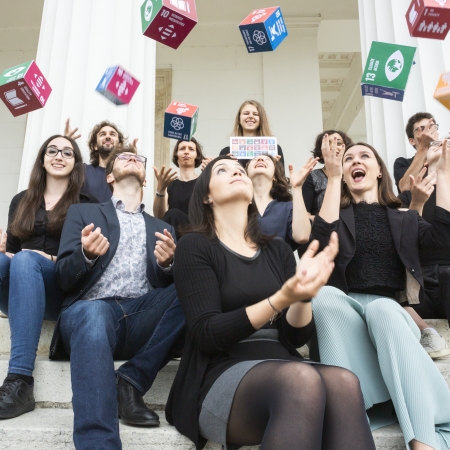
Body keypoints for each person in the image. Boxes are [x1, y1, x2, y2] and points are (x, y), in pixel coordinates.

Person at [166, 155, 376, 450]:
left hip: (283, 363)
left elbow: (295, 336)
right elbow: (207, 333)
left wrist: (302, 296)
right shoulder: (194, 245)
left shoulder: (276, 249)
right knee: (300, 378)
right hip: (221, 373)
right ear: (206, 197)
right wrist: (279, 299)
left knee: (345, 382)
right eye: (223, 170)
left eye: (240, 170)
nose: (237, 172)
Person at [311, 137, 450, 450]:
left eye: (364, 156)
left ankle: (424, 442)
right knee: (324, 297)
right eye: (348, 159)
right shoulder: (337, 213)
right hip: (345, 318)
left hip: (390, 318)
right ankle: (348, 417)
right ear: (344, 174)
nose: (355, 161)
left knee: (383, 310)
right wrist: (332, 179)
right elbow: (318, 246)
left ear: (378, 171)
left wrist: (443, 173)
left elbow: (443, 242)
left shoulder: (404, 218)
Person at [51, 146, 185, 450]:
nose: (133, 158)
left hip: (139, 315)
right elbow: (61, 276)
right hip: (88, 312)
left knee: (192, 284)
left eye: (138, 158)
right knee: (94, 313)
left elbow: (169, 292)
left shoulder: (162, 228)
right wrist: (85, 255)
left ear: (146, 179)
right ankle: (99, 443)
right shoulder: (83, 213)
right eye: (125, 157)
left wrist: (169, 266)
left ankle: (131, 380)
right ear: (110, 176)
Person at [0, 135, 96, 419]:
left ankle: (20, 380)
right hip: (22, 283)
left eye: (67, 152)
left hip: (62, 293)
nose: (59, 155)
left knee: (29, 257)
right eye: (52, 150)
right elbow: (13, 252)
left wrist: (48, 258)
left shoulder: (86, 204)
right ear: (42, 158)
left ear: (75, 163)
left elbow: (87, 260)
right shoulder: (21, 200)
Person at [398, 137, 450, 359]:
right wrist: (416, 205)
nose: (442, 144)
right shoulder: (409, 196)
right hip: (419, 282)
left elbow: (443, 240)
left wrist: (444, 175)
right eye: (437, 143)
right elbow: (410, 240)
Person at [245, 154, 317, 250]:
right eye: (254, 159)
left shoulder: (288, 208)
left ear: (275, 176)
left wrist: (297, 188)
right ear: (246, 175)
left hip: (278, 265)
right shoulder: (238, 207)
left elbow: (302, 236)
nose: (260, 159)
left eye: (267, 159)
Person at [64, 118, 127, 202]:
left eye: (112, 134)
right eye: (102, 134)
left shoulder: (126, 174)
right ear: (95, 146)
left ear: (120, 146)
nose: (108, 136)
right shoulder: (82, 170)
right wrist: (65, 144)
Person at [153, 138, 204, 235]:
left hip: (198, 234)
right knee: (173, 214)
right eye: (182, 149)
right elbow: (159, 217)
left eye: (191, 149)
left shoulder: (203, 183)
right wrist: (161, 189)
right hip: (175, 235)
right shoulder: (170, 185)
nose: (186, 152)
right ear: (176, 155)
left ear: (197, 155)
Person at [302, 130, 353, 218]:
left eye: (338, 143)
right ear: (321, 152)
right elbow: (304, 216)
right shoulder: (312, 177)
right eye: (327, 143)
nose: (333, 147)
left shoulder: (353, 173)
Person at [218, 100, 285, 167]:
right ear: (239, 119)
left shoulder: (274, 149)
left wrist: (276, 167)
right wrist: (225, 165)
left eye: (255, 114)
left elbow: (281, 177)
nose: (250, 116)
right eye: (246, 113)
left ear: (261, 120)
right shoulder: (226, 153)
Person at [394, 112, 439, 193]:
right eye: (422, 129)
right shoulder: (403, 163)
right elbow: (405, 188)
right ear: (412, 141)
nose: (428, 132)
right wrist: (424, 146)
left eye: (432, 128)